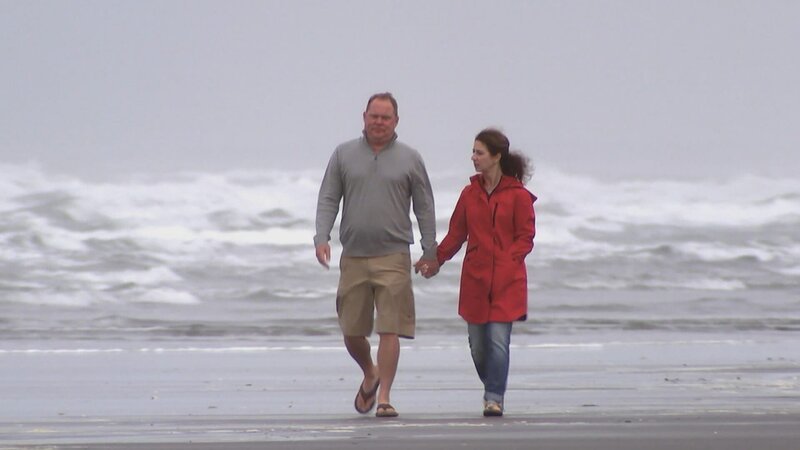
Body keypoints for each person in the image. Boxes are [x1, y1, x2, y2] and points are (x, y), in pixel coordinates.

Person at [314, 92, 439, 418]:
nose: (379, 122)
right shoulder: (344, 154)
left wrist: (430, 249)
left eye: (385, 117)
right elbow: (328, 198)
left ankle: (384, 396)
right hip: (354, 256)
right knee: (352, 331)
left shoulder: (410, 158)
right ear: (364, 117)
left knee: (389, 327)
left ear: (396, 121)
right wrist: (321, 237)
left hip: (394, 255)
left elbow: (424, 206)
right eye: (374, 116)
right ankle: (370, 371)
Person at [426, 128, 536, 417]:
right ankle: (493, 384)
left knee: (499, 340)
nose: (473, 157)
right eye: (473, 152)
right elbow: (456, 234)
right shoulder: (469, 194)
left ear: (496, 156)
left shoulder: (519, 196)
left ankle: (494, 397)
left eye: (479, 152)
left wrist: (511, 260)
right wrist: (434, 259)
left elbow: (526, 236)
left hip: (507, 280)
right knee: (478, 347)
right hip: (475, 279)